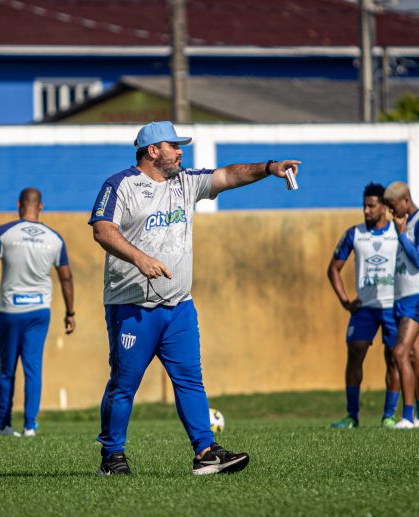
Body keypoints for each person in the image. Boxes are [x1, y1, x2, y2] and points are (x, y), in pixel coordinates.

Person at [88, 120, 301, 476]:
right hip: (132, 307)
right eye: (174, 146)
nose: (180, 152)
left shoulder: (185, 182)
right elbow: (102, 229)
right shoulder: (120, 184)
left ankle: (206, 452)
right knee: (124, 384)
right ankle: (112, 457)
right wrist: (140, 258)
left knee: (190, 380)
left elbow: (228, 175)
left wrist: (269, 168)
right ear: (152, 150)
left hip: (179, 307)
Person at [0, 188, 75, 438]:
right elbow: (66, 278)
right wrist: (70, 312)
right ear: (41, 207)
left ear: (18, 205)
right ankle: (30, 426)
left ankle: (4, 425)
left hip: (10, 311)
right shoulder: (55, 239)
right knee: (33, 369)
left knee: (7, 370)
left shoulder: (4, 233)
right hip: (39, 311)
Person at [328, 183, 401, 429]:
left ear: (384, 207)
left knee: (394, 358)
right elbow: (333, 269)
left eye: (371, 206)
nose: (366, 210)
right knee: (355, 355)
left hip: (393, 307)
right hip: (364, 309)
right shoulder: (354, 234)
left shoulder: (398, 233)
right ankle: (352, 415)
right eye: (364, 206)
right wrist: (345, 301)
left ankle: (389, 416)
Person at [383, 181, 419, 429]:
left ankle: (407, 417)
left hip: (417, 296)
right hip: (403, 298)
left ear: (406, 201)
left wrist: (401, 235)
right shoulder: (403, 223)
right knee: (414, 355)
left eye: (393, 206)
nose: (391, 212)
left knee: (399, 353)